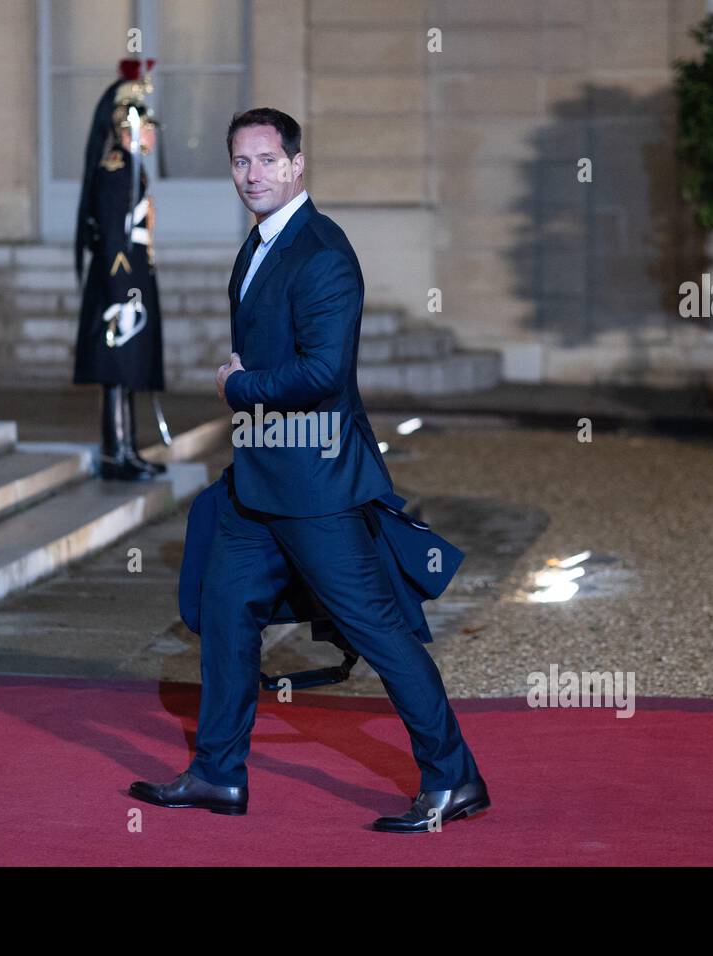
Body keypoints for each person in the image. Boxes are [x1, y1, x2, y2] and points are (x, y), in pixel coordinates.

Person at [129, 108, 489, 833]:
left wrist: (239, 388)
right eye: (240, 162)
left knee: (380, 630)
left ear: (297, 164)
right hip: (258, 484)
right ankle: (218, 775)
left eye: (266, 160)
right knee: (227, 615)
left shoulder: (323, 251)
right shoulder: (260, 245)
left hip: (316, 484)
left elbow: (324, 371)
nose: (252, 175)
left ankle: (456, 780)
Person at [73, 61, 166, 480]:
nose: (152, 134)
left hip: (133, 278)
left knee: (128, 367)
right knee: (117, 367)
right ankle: (115, 453)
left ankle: (128, 447)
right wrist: (120, 290)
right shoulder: (116, 168)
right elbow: (112, 236)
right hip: (121, 282)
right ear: (129, 126)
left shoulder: (131, 168)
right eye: (147, 126)